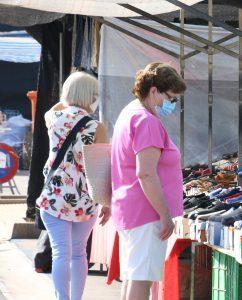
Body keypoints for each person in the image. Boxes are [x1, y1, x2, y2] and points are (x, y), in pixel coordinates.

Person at [110, 62, 186, 300]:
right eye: (171, 98)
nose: (173, 104)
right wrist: (164, 214)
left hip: (131, 208)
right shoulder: (147, 122)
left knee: (134, 277)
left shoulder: (129, 113)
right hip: (147, 211)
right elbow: (146, 173)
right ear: (154, 91)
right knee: (141, 280)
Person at [35, 71, 110, 300]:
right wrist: (107, 202)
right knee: (79, 254)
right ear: (92, 96)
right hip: (84, 200)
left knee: (60, 253)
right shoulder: (97, 128)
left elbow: (55, 107)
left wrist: (68, 98)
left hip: (54, 196)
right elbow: (102, 170)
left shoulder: (53, 118)